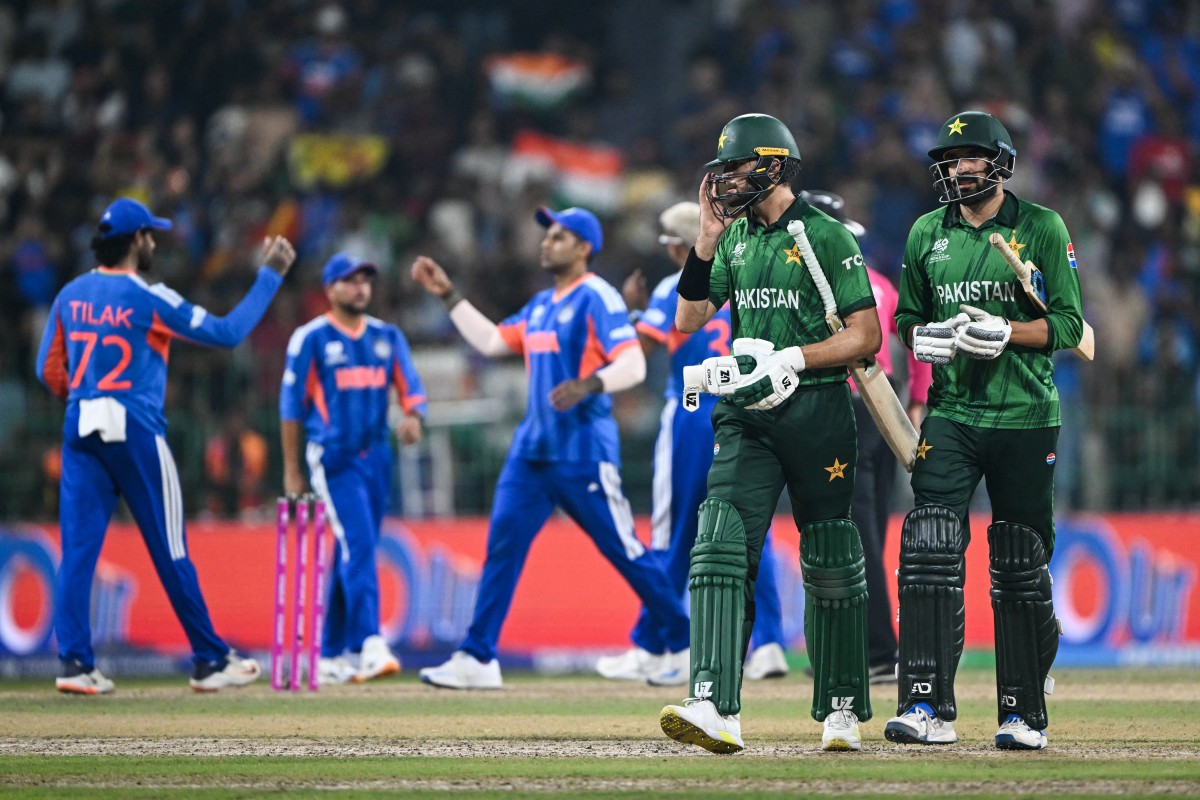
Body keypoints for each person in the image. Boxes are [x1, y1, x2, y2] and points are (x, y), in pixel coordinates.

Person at [659, 113, 882, 754]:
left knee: (831, 559)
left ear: (775, 166)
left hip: (818, 411)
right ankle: (712, 704)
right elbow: (687, 316)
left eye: (736, 167)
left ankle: (841, 708)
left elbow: (865, 337)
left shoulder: (826, 235)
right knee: (721, 540)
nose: (725, 180)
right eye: (722, 170)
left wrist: (795, 357)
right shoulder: (733, 239)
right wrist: (704, 241)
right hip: (747, 414)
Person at [411, 206, 690, 690]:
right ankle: (477, 655)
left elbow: (633, 366)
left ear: (585, 247)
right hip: (532, 452)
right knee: (502, 549)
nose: (547, 242)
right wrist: (449, 295)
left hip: (582, 450)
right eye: (547, 235)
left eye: (560, 236)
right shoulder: (541, 304)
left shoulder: (596, 297)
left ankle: (686, 643)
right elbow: (495, 341)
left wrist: (589, 384)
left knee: (624, 551)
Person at [34, 197, 296, 694]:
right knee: (171, 547)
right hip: (134, 430)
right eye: (150, 235)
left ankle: (74, 665)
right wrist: (270, 276)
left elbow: (46, 370)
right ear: (136, 241)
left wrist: (86, 396)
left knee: (78, 550)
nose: (154, 242)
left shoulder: (69, 295)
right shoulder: (147, 297)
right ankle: (209, 659)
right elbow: (227, 333)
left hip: (81, 426)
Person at [887, 111, 1082, 750]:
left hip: (1026, 416)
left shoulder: (1041, 227)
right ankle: (926, 706)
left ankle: (1023, 712)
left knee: (1022, 561)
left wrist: (1007, 335)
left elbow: (1070, 328)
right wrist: (927, 339)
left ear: (1000, 162)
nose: (957, 167)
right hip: (952, 413)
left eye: (970, 156)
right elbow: (906, 320)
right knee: (929, 546)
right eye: (949, 158)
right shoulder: (926, 232)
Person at [596, 201, 789, 687]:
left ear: (678, 243)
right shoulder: (743, 272)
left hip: (690, 409)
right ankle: (767, 643)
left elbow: (640, 347)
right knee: (747, 528)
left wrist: (632, 312)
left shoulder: (675, 284)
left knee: (674, 531)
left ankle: (654, 641)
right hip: (745, 408)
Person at [800, 190, 933, 685]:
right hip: (885, 405)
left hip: (841, 410)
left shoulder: (819, 281)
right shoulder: (878, 282)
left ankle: (876, 651)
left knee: (844, 533)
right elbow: (914, 343)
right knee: (868, 532)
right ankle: (857, 646)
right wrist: (917, 402)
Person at [280, 252, 427, 685]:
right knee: (360, 543)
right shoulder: (311, 338)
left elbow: (411, 388)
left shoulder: (386, 336)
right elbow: (291, 407)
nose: (361, 287)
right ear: (330, 289)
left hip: (377, 456)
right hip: (332, 457)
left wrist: (414, 417)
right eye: (350, 280)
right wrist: (292, 470)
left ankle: (329, 653)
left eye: (366, 279)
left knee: (351, 548)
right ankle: (369, 642)